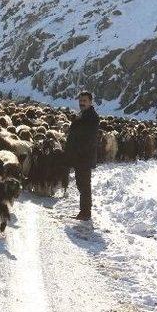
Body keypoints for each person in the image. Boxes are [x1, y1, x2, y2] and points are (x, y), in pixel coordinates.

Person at [64, 91, 100, 220]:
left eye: (84, 101)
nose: (82, 103)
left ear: (90, 102)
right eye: (80, 100)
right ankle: (84, 211)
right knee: (81, 184)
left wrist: (77, 153)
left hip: (84, 157)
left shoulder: (91, 117)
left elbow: (88, 139)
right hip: (80, 156)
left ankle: (85, 212)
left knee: (84, 185)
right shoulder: (83, 115)